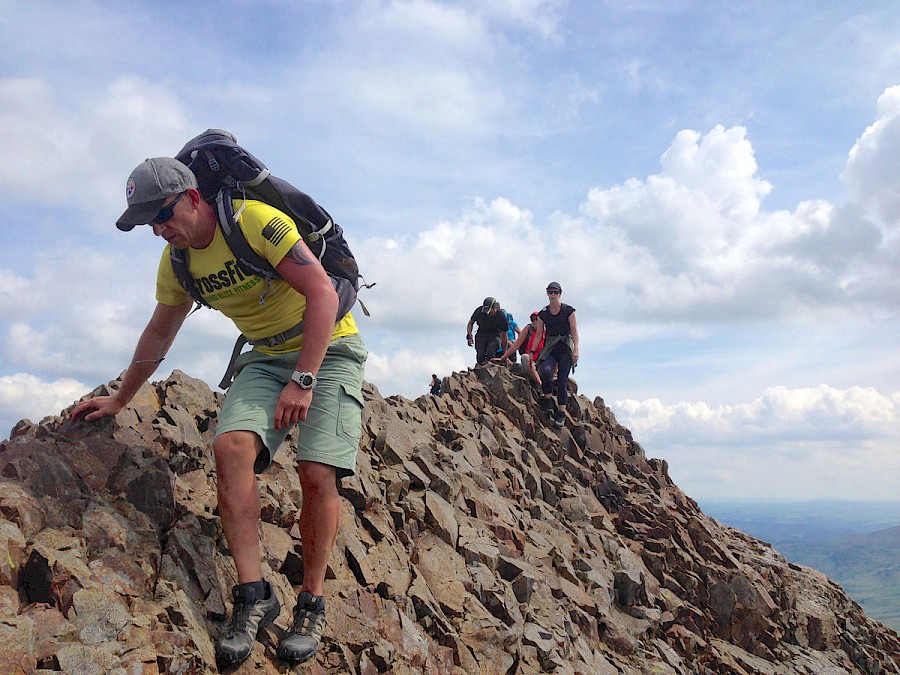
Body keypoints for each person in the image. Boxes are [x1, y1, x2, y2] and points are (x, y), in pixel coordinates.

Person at [69, 157, 367, 668]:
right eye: (149, 225)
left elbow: (321, 292)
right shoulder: (178, 262)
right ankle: (254, 597)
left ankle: (312, 602)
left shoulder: (254, 222)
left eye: (163, 215)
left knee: (316, 472)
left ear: (191, 197)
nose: (161, 230)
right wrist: (120, 399)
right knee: (230, 448)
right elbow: (159, 332)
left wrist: (304, 379)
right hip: (265, 356)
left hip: (328, 350)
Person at [534, 282, 578, 427]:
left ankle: (561, 413)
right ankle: (547, 401)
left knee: (562, 380)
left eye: (555, 292)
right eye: (550, 292)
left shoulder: (568, 311)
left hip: (565, 347)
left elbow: (574, 330)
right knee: (546, 371)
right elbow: (539, 334)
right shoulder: (543, 314)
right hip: (551, 347)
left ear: (560, 293)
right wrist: (533, 351)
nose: (553, 295)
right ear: (547, 293)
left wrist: (576, 349)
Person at [495, 311, 543, 388]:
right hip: (530, 362)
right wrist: (503, 357)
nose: (534, 321)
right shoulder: (528, 329)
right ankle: (539, 384)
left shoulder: (548, 331)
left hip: (543, 362)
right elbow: (516, 346)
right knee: (524, 357)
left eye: (536, 319)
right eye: (532, 319)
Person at [465, 297, 509, 365]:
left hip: (495, 335)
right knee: (480, 356)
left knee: (490, 352)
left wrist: (505, 354)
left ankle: (491, 369)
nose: (487, 314)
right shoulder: (479, 311)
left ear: (495, 308)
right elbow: (470, 323)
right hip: (481, 334)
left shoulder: (501, 316)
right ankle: (480, 369)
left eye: (489, 312)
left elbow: (504, 336)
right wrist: (469, 336)